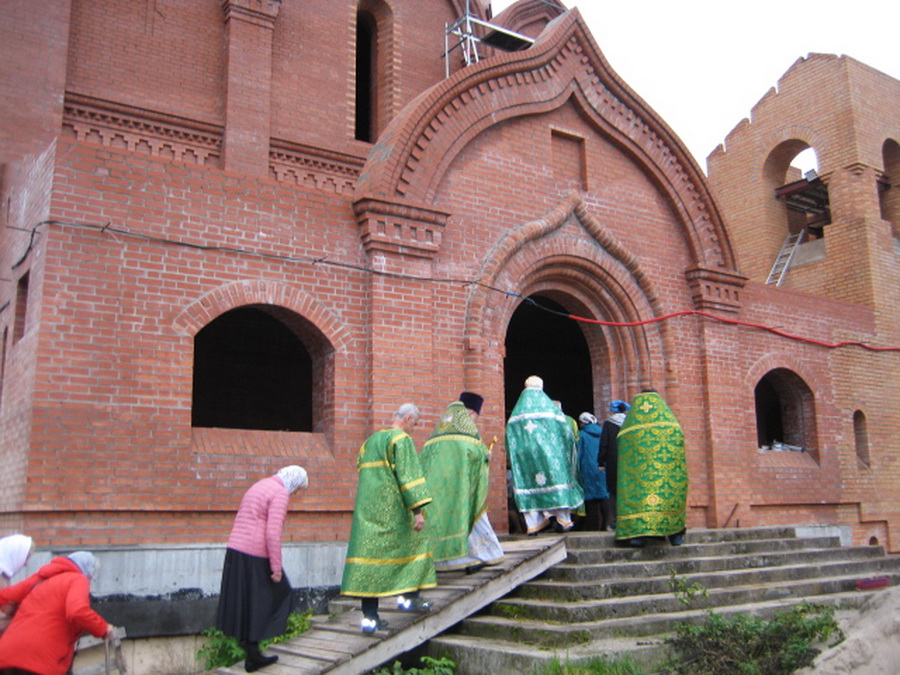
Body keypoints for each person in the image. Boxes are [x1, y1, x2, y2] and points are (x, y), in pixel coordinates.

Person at [341, 403, 437, 634]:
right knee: (416, 544)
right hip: (394, 511)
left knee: (369, 561)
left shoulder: (370, 442)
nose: (414, 428)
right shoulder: (401, 440)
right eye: (415, 424)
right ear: (409, 418)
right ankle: (409, 599)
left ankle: (370, 619)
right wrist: (417, 511)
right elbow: (408, 476)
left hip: (368, 513)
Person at [216, 465, 309, 672]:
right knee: (279, 593)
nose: (295, 493)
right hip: (255, 554)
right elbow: (273, 532)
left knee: (247, 601)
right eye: (297, 489)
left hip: (236, 550)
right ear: (294, 482)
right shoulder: (280, 493)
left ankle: (251, 652)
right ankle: (253, 647)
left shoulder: (260, 485)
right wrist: (276, 567)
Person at [420, 392, 504, 574]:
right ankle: (490, 554)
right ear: (472, 413)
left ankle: (448, 562)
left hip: (437, 490)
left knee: (448, 522)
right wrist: (486, 456)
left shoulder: (438, 432)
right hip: (462, 488)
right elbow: (476, 453)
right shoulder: (467, 432)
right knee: (474, 516)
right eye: (476, 417)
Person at [0, 551, 114, 675]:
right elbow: (77, 611)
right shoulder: (78, 579)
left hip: (6, 655)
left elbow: (4, 596)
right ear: (88, 572)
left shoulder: (40, 579)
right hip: (40, 661)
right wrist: (103, 628)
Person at [506, 376, 584, 534]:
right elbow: (566, 433)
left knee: (529, 487)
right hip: (551, 458)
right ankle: (563, 520)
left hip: (526, 459)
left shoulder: (517, 412)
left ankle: (533, 525)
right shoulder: (551, 410)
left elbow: (510, 437)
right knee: (556, 486)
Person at [615, 389, 688, 548]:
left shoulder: (628, 429)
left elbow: (621, 447)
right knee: (668, 498)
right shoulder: (671, 425)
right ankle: (675, 534)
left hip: (639, 477)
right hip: (665, 475)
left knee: (639, 500)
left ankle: (637, 535)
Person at [577, 412, 611, 531]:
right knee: (604, 495)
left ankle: (590, 526)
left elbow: (578, 453)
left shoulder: (581, 435)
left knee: (589, 497)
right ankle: (605, 524)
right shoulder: (603, 433)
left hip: (587, 469)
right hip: (602, 468)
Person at [599, 400, 629, 529]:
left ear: (612, 411)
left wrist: (601, 461)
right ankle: (627, 521)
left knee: (613, 492)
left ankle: (613, 523)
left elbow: (604, 444)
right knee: (626, 491)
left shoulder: (608, 424)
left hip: (612, 462)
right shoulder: (629, 422)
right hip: (627, 461)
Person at [0, 534, 34, 635]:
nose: (26, 564)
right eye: (26, 558)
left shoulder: (4, 576)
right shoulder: (1, 578)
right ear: (15, 554)